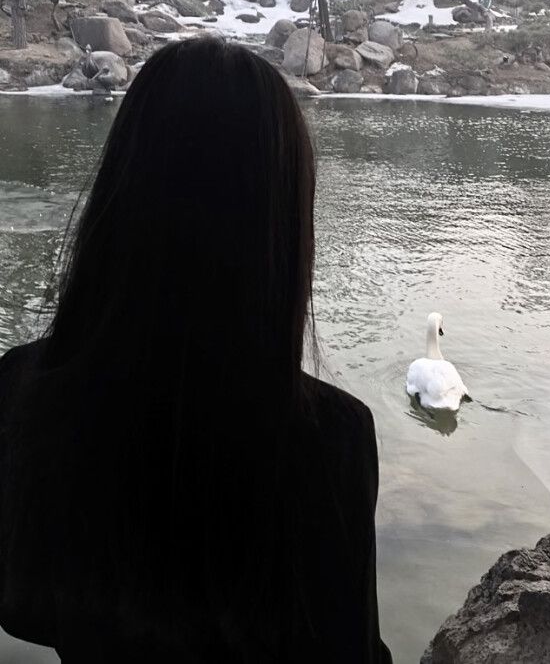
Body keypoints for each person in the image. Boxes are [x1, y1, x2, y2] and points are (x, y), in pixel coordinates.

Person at [0, 38, 392, 664]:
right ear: (281, 220)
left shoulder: (21, 388)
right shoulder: (328, 440)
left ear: (120, 190)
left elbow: (24, 609)